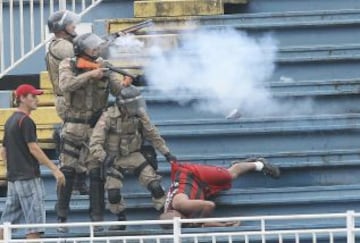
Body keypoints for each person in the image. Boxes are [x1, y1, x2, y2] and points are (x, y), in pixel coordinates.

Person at [56, 32, 132, 232]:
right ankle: (62, 218)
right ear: (82, 50)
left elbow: (118, 91)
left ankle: (96, 219)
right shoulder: (68, 64)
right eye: (92, 48)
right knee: (67, 172)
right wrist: (90, 74)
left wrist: (124, 84)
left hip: (95, 129)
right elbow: (65, 85)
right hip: (73, 126)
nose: (96, 51)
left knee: (96, 174)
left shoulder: (104, 64)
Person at [89, 85, 176, 230]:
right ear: (123, 105)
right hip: (114, 158)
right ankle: (121, 219)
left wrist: (167, 153)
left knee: (155, 185)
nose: (136, 107)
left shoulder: (139, 115)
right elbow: (94, 143)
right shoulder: (108, 116)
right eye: (133, 104)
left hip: (135, 155)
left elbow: (153, 135)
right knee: (113, 193)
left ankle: (165, 214)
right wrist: (104, 158)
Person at [0, 84, 65, 240]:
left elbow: (3, 152)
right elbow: (34, 149)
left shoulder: (10, 121)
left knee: (6, 225)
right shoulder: (26, 121)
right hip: (28, 177)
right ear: (22, 98)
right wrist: (55, 169)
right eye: (33, 96)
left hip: (14, 179)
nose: (37, 99)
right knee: (34, 226)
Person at [160, 158, 280, 228]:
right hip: (200, 187)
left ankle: (259, 164)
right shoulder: (179, 220)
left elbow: (209, 205)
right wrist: (224, 224)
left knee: (229, 175)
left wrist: (198, 221)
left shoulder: (180, 204)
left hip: (194, 175)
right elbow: (200, 224)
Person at [46, 10, 89, 195]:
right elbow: (84, 58)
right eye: (71, 24)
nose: (74, 27)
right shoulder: (62, 46)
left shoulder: (65, 43)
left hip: (71, 100)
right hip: (68, 101)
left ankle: (77, 179)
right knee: (77, 140)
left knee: (81, 139)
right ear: (62, 28)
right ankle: (75, 181)